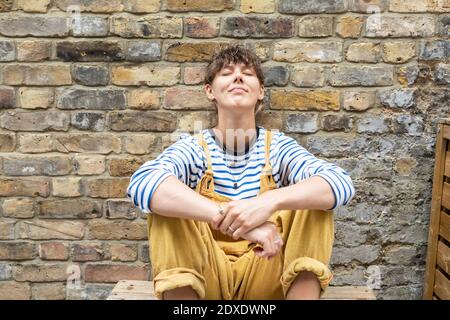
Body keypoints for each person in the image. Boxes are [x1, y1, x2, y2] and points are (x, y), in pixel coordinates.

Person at [127, 45, 355, 300]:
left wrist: (270, 201)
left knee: (316, 201)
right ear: (209, 91)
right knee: (164, 203)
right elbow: (142, 182)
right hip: (205, 278)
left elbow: (340, 183)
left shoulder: (278, 148)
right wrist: (240, 224)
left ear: (261, 92)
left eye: (247, 73)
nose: (237, 77)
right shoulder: (194, 149)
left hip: (268, 271)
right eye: (226, 73)